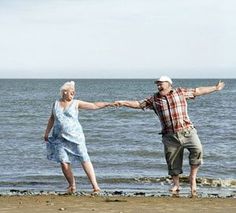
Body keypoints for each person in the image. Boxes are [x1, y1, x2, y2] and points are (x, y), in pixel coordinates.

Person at [115, 76, 225, 196]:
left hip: (187, 131)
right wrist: (123, 103)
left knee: (198, 150)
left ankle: (192, 178)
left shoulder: (180, 92)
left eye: (161, 83)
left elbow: (198, 91)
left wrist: (215, 88)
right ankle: (176, 184)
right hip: (169, 135)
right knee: (172, 162)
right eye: (157, 84)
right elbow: (138, 104)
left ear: (169, 84)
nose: (158, 86)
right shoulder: (154, 99)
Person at [44, 81, 114, 194]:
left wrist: (108, 104)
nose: (74, 92)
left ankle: (96, 187)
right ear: (64, 91)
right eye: (71, 90)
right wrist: (47, 132)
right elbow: (52, 118)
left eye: (74, 91)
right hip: (59, 138)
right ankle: (72, 186)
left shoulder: (76, 103)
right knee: (63, 162)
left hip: (76, 137)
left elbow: (94, 105)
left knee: (84, 159)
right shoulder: (56, 103)